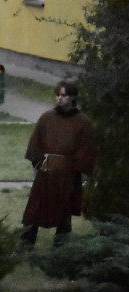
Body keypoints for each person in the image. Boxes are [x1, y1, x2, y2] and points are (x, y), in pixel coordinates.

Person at [20, 81, 96, 248]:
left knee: (64, 207)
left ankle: (61, 246)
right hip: (46, 170)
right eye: (58, 95)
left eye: (64, 95)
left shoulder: (83, 122)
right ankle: (26, 243)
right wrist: (40, 161)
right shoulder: (47, 118)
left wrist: (73, 166)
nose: (60, 98)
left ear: (72, 97)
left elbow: (86, 148)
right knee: (36, 206)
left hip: (67, 173)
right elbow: (36, 142)